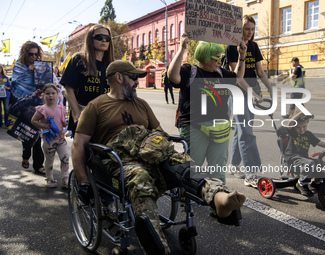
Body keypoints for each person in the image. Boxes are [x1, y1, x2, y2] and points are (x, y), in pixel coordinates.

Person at [72, 60, 246, 255]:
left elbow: (160, 132)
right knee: (141, 179)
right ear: (119, 78)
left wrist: (169, 150)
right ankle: (157, 246)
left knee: (184, 164)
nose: (138, 82)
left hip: (151, 150)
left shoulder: (141, 104)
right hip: (121, 160)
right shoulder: (96, 106)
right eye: (134, 77)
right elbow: (79, 145)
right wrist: (83, 181)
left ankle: (219, 198)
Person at [167, 33, 248, 183]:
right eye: (217, 58)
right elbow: (173, 76)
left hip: (220, 129)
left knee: (218, 170)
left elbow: (238, 78)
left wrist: (241, 56)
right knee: (193, 169)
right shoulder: (190, 71)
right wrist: (181, 48)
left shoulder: (221, 74)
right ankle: (189, 201)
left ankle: (218, 204)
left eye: (221, 57)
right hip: (195, 127)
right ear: (206, 56)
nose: (220, 61)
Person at [225, 15, 272, 186]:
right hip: (237, 94)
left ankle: (233, 165)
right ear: (240, 29)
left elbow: (260, 72)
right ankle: (250, 172)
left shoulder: (254, 46)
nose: (250, 32)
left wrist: (271, 88)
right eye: (247, 29)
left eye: (253, 29)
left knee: (242, 131)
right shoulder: (231, 47)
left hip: (253, 94)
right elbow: (237, 76)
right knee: (246, 133)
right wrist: (252, 93)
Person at [59, 24, 115, 133]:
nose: (103, 40)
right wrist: (78, 115)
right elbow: (69, 91)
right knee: (82, 149)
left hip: (105, 118)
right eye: (99, 37)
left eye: (107, 38)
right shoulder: (79, 59)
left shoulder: (111, 64)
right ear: (91, 39)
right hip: (83, 115)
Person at [286, 110, 325, 196]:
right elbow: (290, 122)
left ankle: (316, 183)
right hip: (292, 159)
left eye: (304, 126)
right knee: (310, 163)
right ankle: (301, 183)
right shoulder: (292, 132)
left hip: (303, 159)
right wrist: (300, 113)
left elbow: (319, 142)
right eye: (298, 127)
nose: (301, 129)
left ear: (307, 123)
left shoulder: (308, 134)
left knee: (321, 163)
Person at [11, 41, 45, 174]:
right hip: (23, 103)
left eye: (36, 54)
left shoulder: (40, 65)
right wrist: (28, 70)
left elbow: (45, 82)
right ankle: (26, 155)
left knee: (36, 132)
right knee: (28, 131)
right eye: (31, 54)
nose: (34, 57)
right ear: (25, 53)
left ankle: (38, 164)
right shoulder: (19, 66)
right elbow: (15, 81)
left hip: (38, 102)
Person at [31, 84, 69, 188]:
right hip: (49, 141)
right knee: (49, 160)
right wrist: (43, 125)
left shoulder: (61, 108)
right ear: (43, 95)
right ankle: (50, 178)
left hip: (61, 140)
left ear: (57, 95)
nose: (50, 96)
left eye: (53, 93)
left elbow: (63, 121)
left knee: (65, 158)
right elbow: (33, 120)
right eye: (47, 93)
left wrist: (65, 123)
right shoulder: (42, 109)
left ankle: (65, 179)